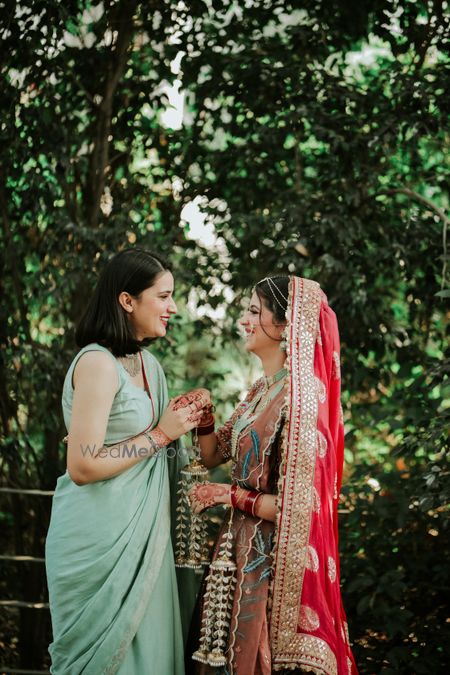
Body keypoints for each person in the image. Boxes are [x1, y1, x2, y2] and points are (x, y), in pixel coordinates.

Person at [45, 249, 210, 674]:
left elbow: (164, 450)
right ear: (127, 300)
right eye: (164, 296)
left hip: (147, 538)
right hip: (97, 540)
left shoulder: (149, 366)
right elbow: (83, 466)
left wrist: (192, 420)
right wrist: (162, 434)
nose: (173, 307)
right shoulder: (97, 364)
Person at [187, 275, 358, 675]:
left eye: (253, 311)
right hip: (235, 552)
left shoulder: (301, 403)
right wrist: (204, 416)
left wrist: (228, 496)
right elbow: (212, 455)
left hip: (269, 563)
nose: (243, 320)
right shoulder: (260, 390)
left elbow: (296, 508)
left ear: (284, 326)